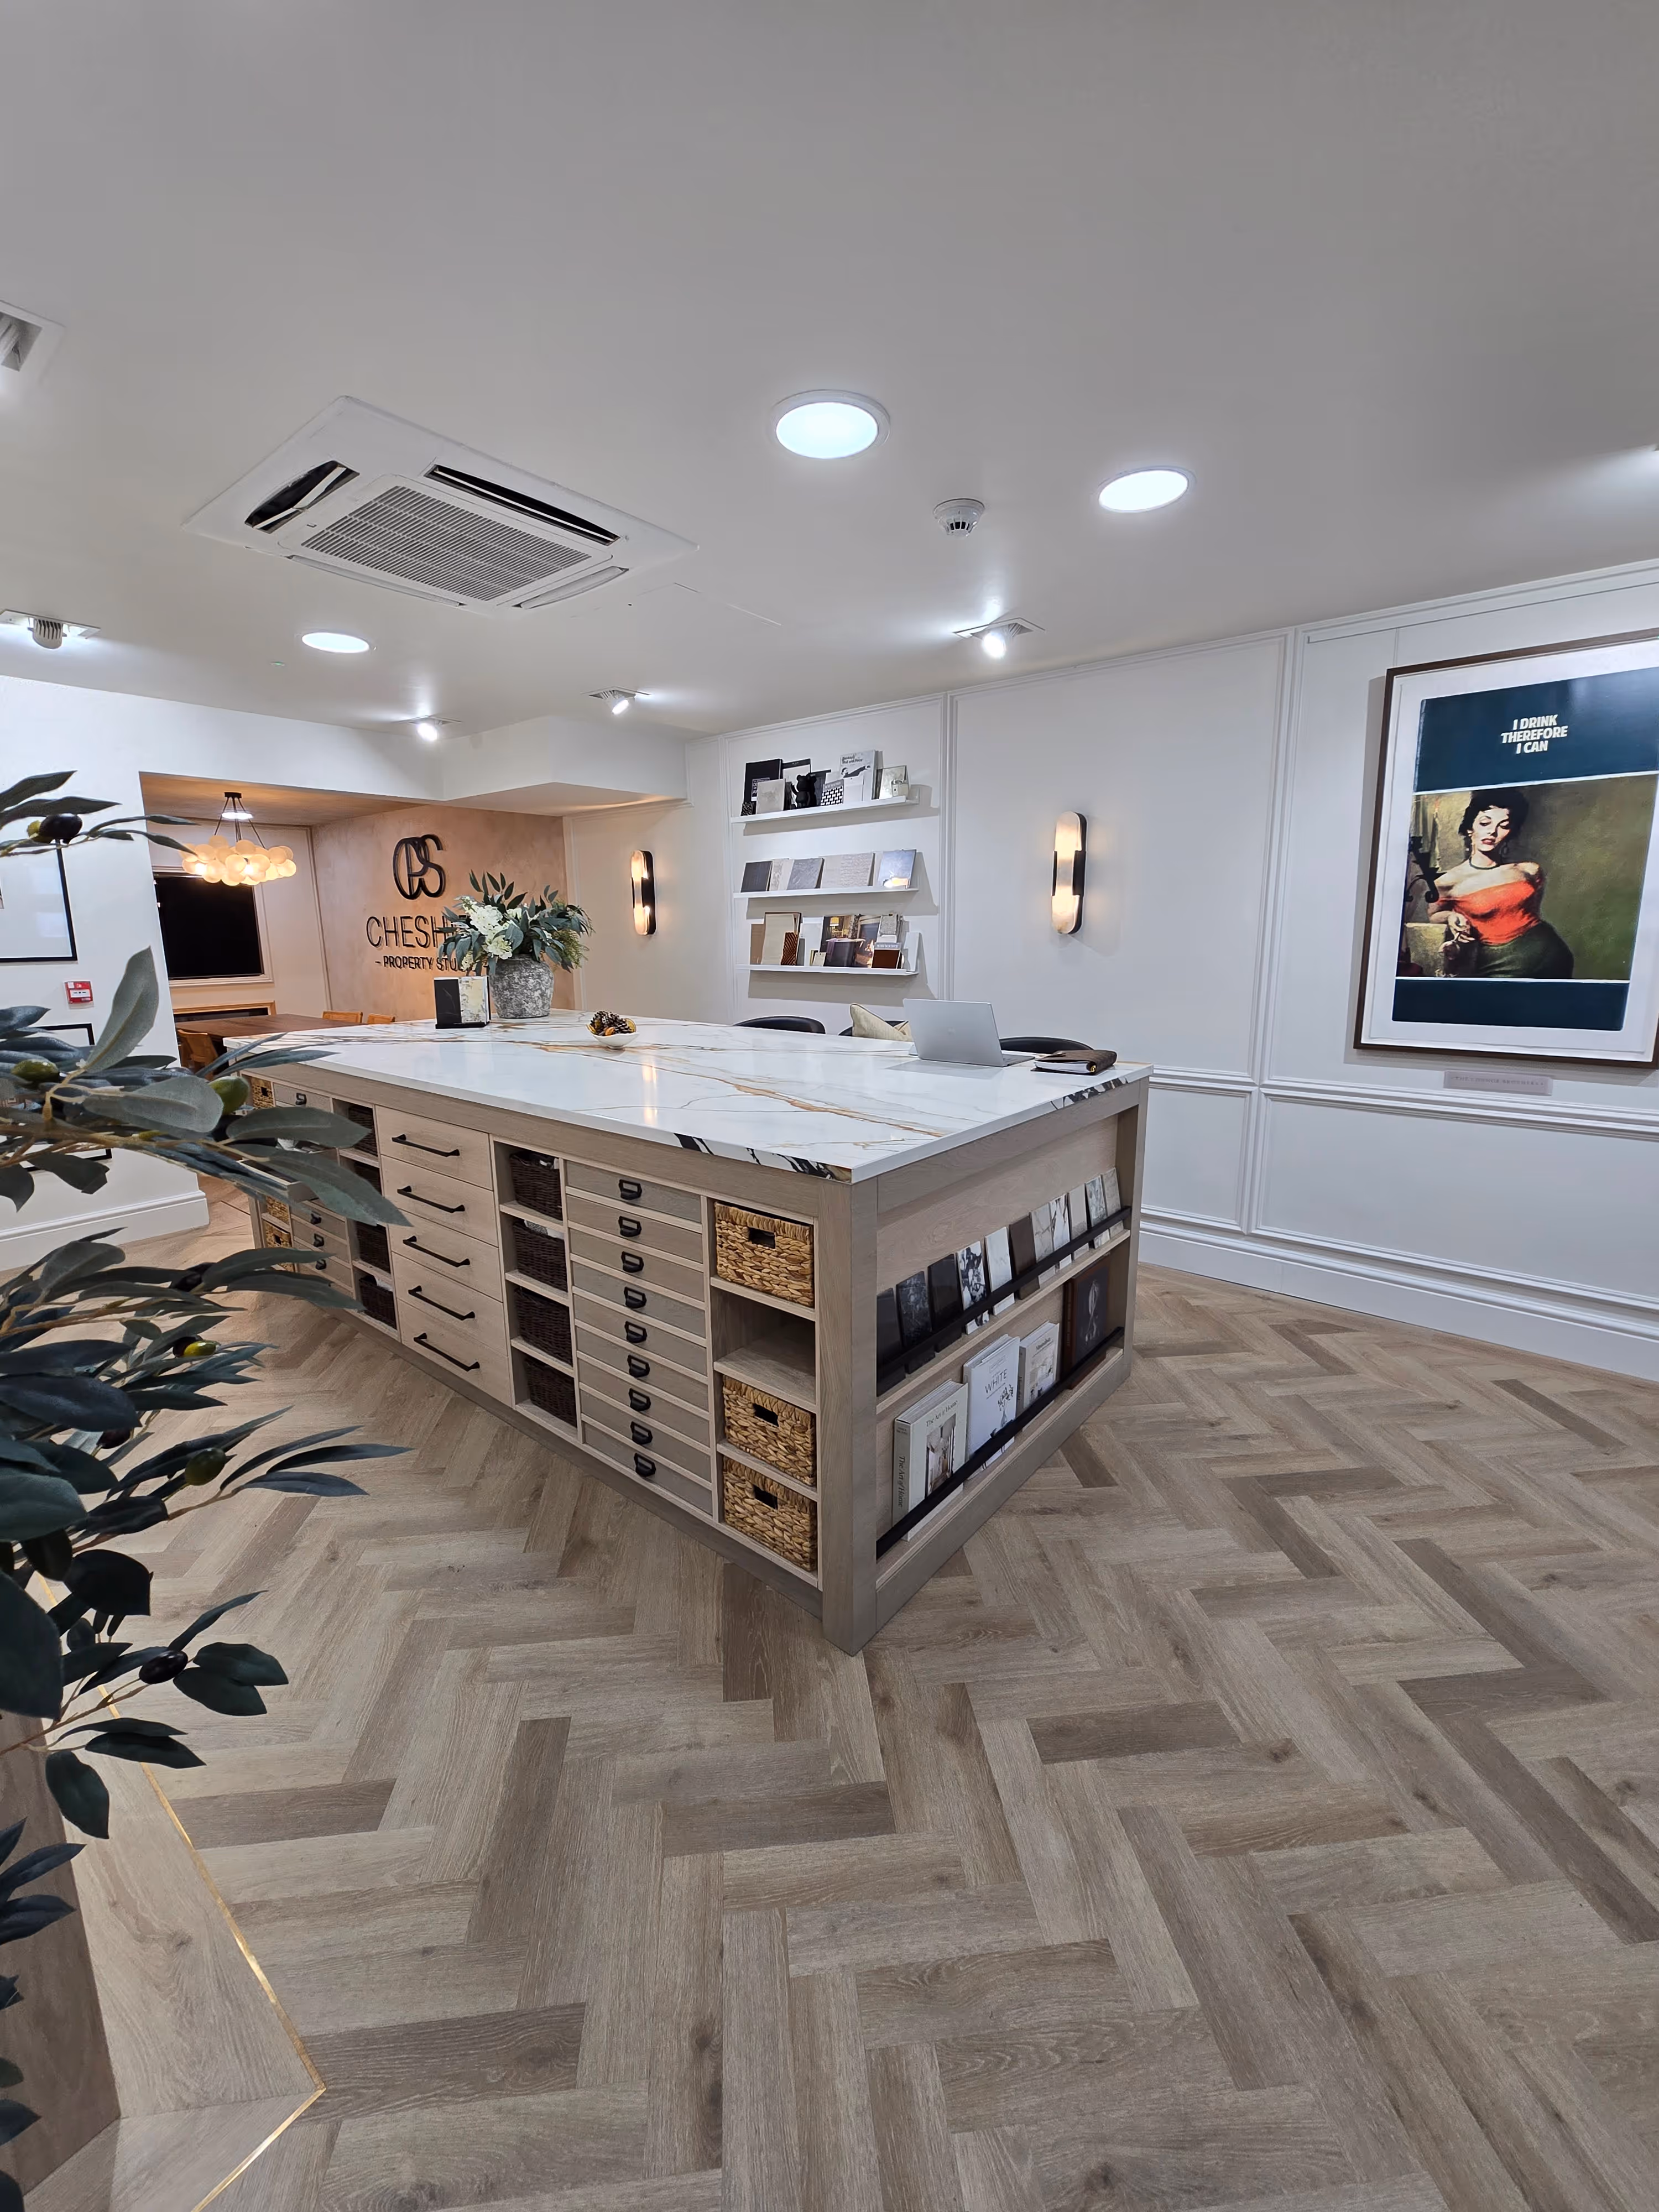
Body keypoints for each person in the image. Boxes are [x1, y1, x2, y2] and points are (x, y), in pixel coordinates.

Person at [1429, 789, 1573, 978]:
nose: (1492, 831)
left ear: (1511, 832)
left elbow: (1529, 912)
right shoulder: (1447, 882)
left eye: (1503, 826)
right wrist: (1451, 916)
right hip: (1497, 962)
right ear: (1470, 828)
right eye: (1485, 823)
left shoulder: (1529, 870)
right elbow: (1434, 915)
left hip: (1552, 954)